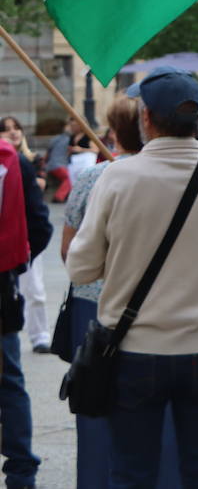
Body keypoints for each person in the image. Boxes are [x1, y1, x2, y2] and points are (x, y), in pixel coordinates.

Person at [66, 67, 198, 487]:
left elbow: (81, 268)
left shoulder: (117, 177)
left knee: (133, 473)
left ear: (146, 117)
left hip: (137, 350)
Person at [62, 97, 181, 489]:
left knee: (95, 400)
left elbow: (69, 249)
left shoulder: (94, 178)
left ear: (114, 131)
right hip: (153, 306)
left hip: (93, 305)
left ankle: (96, 481)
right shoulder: (170, 175)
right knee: (156, 407)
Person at [0, 128, 48, 489]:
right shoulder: (12, 160)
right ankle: (20, 473)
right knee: (10, 382)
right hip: (1, 285)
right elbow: (40, 225)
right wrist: (16, 263)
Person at [1, 118, 49, 354]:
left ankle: (39, 335)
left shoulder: (28, 160)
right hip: (7, 243)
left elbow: (40, 187)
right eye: (6, 129)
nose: (12, 133)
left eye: (15, 128)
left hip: (26, 239)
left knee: (35, 290)